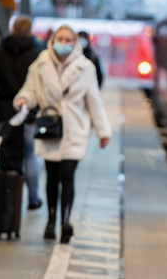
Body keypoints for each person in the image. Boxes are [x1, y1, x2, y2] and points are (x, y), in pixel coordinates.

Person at [13, 25, 112, 243]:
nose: (64, 43)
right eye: (60, 38)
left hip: (75, 129)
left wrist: (103, 131)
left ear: (75, 42)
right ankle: (50, 219)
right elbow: (30, 90)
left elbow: (94, 100)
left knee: (67, 175)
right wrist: (24, 100)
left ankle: (65, 221)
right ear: (52, 39)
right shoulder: (41, 63)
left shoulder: (85, 67)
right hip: (50, 128)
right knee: (52, 176)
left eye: (68, 39)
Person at [0, 16, 42, 210]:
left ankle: (8, 199)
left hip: (5, 113)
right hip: (29, 114)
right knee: (30, 155)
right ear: (30, 30)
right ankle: (33, 199)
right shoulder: (37, 54)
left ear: (13, 29)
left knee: (6, 154)